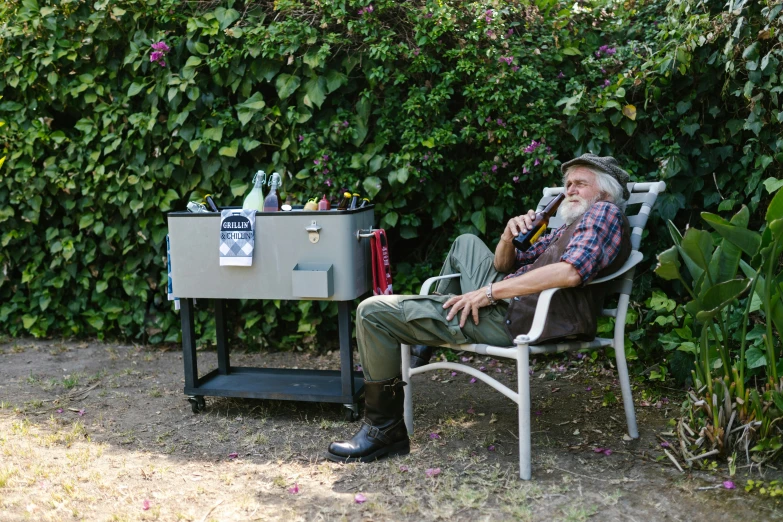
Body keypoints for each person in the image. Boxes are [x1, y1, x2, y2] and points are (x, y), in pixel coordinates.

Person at [325, 153, 633, 464]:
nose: (569, 190)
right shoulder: (569, 224)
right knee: (466, 242)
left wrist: (488, 293)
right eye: (567, 184)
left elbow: (570, 271)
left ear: (606, 191)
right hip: (515, 301)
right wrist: (507, 236)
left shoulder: (603, 212)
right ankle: (422, 342)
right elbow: (504, 264)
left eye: (581, 183)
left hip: (519, 317)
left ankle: (384, 430)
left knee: (372, 312)